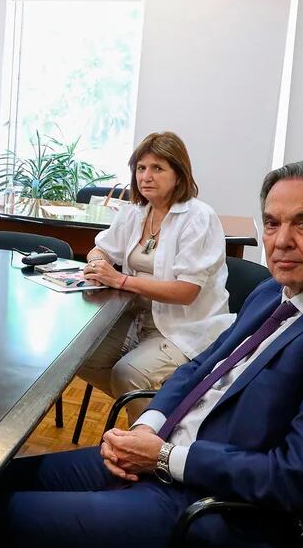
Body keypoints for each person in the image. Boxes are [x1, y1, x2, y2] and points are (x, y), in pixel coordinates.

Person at [0, 161, 303, 547]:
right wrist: (149, 427)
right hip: (163, 452)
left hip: (212, 502)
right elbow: (201, 366)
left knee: (4, 517)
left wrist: (165, 458)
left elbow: (296, 478)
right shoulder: (273, 291)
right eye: (271, 223)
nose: (281, 241)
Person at [78, 132, 234, 423]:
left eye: (157, 168)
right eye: (140, 168)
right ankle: (167, 415)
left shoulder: (198, 217)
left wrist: (120, 280)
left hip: (186, 326)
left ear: (179, 174)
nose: (146, 176)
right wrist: (98, 264)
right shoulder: (134, 212)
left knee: (128, 374)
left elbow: (186, 291)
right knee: (78, 358)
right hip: (137, 319)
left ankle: (149, 446)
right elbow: (100, 249)